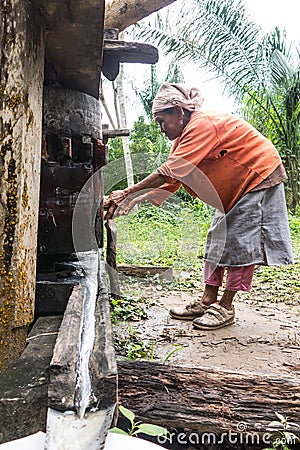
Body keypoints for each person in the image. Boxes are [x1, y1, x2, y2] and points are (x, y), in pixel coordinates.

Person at [104, 83, 294, 330]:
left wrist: (126, 193)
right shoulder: (183, 138)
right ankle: (207, 300)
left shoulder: (202, 124)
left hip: (257, 176)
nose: (161, 128)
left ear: (179, 112)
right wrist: (131, 200)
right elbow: (174, 178)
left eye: (163, 121)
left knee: (239, 242)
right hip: (231, 187)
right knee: (216, 239)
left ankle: (225, 306)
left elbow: (169, 172)